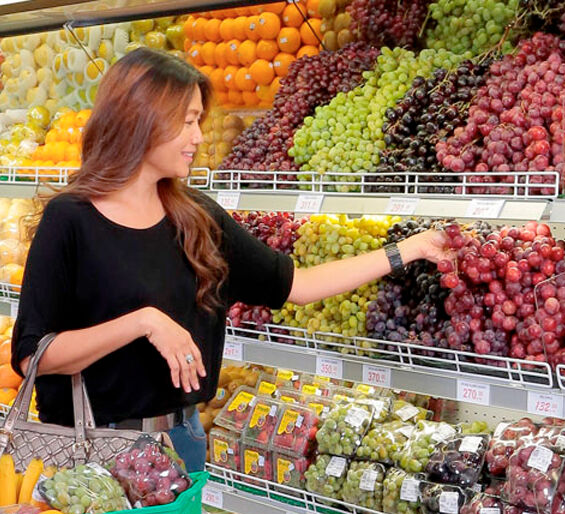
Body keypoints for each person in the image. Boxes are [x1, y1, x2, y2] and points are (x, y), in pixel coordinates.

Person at [11, 48, 450, 472]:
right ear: (141, 120)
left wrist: (409, 249)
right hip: (90, 450)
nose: (198, 137)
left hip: (180, 442)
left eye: (198, 121)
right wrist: (144, 322)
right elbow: (34, 357)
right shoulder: (71, 220)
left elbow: (299, 285)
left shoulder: (197, 219)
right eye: (186, 121)